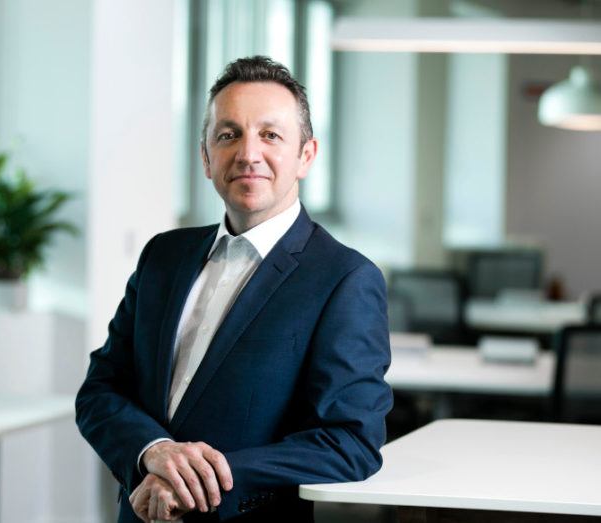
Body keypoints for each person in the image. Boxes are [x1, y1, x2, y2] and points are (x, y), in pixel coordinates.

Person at [76, 55, 393, 523]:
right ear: (206, 157)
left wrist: (199, 479)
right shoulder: (163, 257)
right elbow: (100, 391)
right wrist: (155, 451)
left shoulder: (345, 279)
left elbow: (351, 442)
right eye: (228, 135)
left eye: (270, 135)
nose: (248, 154)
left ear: (306, 155)